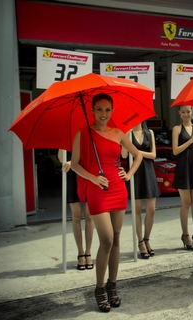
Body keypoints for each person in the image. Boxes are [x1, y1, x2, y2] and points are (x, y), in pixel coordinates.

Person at [71, 93, 142, 312]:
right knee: (107, 240)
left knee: (118, 238)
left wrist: (128, 174)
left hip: (118, 189)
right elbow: (74, 164)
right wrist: (92, 177)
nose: (104, 114)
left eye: (107, 110)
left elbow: (137, 155)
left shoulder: (118, 133)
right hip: (97, 189)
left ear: (112, 111)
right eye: (100, 109)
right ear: (92, 110)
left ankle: (112, 286)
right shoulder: (82, 133)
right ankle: (99, 288)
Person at [121, 121, 160, 259]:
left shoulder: (150, 133)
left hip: (148, 171)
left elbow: (153, 155)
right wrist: (125, 137)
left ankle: (147, 238)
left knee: (151, 209)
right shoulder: (127, 134)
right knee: (137, 209)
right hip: (135, 172)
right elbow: (125, 155)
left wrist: (136, 152)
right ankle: (140, 242)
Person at [172, 105, 193, 250]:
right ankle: (185, 234)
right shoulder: (177, 129)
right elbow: (175, 150)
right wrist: (190, 140)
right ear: (180, 113)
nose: (186, 114)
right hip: (183, 167)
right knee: (186, 202)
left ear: (192, 112)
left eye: (188, 112)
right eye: (183, 112)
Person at [57, 150, 94, 271]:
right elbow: (61, 158)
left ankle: (88, 252)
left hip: (87, 174)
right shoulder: (66, 135)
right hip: (72, 177)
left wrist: (72, 162)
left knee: (89, 216)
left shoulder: (87, 133)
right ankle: (80, 253)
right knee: (76, 216)